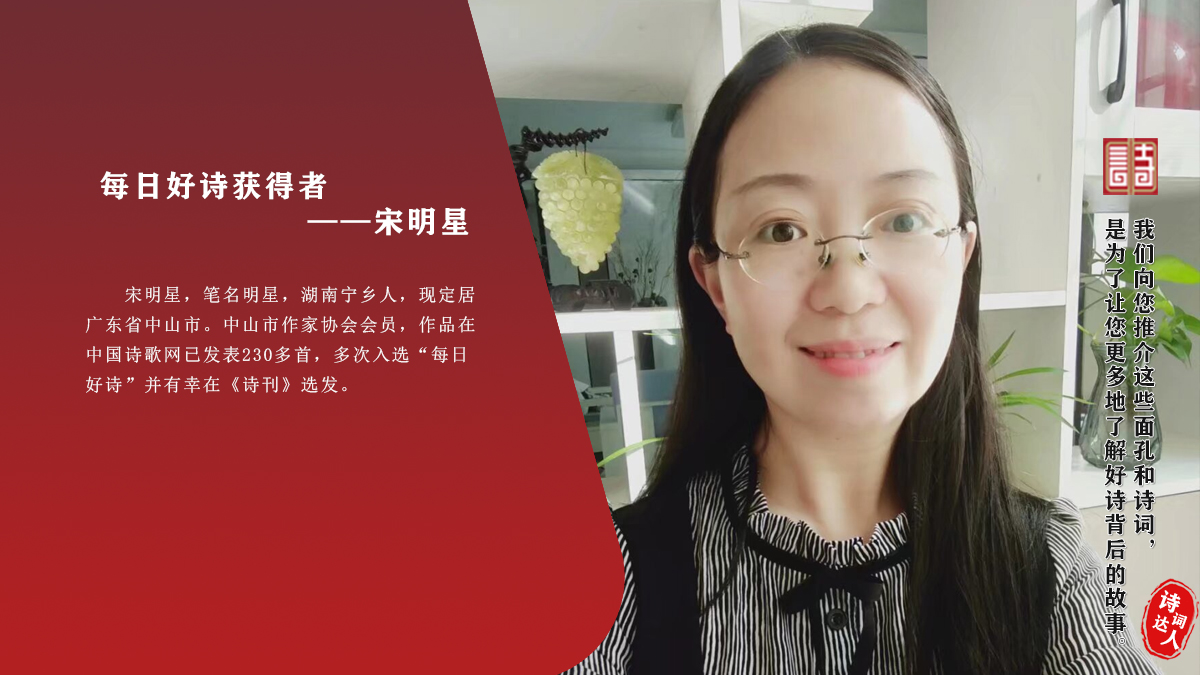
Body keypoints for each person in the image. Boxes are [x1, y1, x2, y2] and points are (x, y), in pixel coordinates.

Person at [563, 23, 1163, 675]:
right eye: (781, 229)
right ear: (715, 286)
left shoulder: (1048, 571)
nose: (848, 290)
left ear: (961, 256)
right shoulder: (606, 585)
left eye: (904, 220)